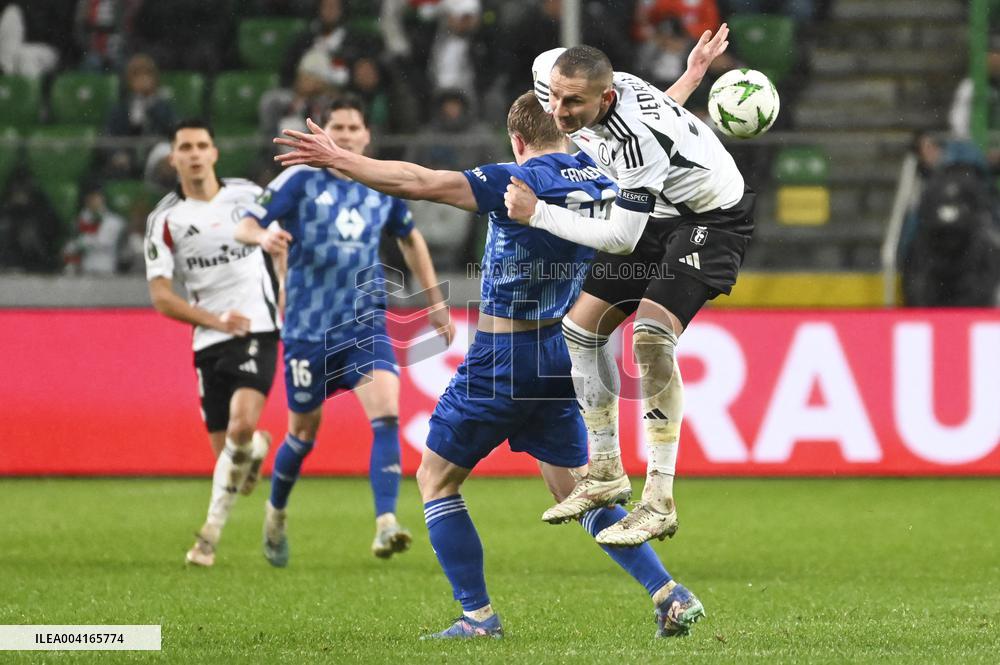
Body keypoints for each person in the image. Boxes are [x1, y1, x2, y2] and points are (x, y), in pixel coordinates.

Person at [271, 91, 706, 639]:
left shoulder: (516, 180)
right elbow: (634, 129)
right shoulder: (602, 173)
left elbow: (419, 181)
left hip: (503, 356)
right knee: (575, 487)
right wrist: (684, 83)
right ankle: (669, 593)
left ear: (516, 140)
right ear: (568, 129)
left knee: (436, 479)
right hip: (559, 352)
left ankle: (477, 616)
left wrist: (343, 159)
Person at [503, 31, 750, 548]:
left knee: (650, 337)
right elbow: (665, 110)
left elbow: (619, 237)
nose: (559, 111)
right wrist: (692, 75)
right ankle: (607, 471)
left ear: (605, 97)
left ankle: (659, 499)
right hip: (661, 208)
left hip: (712, 216)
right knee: (580, 328)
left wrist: (539, 213)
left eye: (573, 102)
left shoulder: (637, 141)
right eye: (553, 96)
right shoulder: (578, 85)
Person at [235, 95, 454, 566]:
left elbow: (409, 235)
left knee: (387, 413)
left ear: (367, 135)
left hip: (363, 323)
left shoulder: (379, 183)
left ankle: (386, 522)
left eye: (355, 127)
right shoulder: (298, 179)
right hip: (307, 329)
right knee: (302, 434)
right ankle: (275, 511)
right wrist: (263, 236)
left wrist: (434, 301)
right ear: (323, 132)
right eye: (338, 126)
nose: (348, 134)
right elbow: (246, 224)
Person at [144, 119, 282, 567]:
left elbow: (284, 236)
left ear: (215, 153)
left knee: (240, 427)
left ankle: (207, 539)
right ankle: (255, 449)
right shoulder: (165, 219)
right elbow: (162, 297)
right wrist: (215, 320)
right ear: (174, 158)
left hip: (257, 326)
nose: (196, 153)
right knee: (232, 464)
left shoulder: (247, 196)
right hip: (209, 337)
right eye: (186, 146)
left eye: (203, 144)